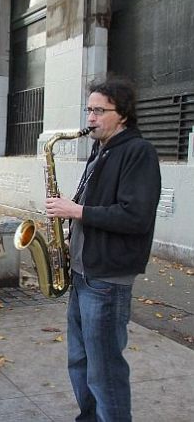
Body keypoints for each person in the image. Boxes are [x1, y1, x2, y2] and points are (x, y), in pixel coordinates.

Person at [45, 78, 161, 421]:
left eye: (99, 110)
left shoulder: (138, 152)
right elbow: (95, 206)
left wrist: (76, 210)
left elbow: (136, 216)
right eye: (88, 110)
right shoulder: (101, 150)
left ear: (122, 114)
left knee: (105, 370)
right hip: (83, 273)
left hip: (107, 279)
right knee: (79, 359)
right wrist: (70, 230)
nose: (90, 118)